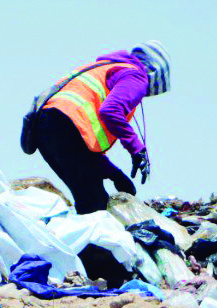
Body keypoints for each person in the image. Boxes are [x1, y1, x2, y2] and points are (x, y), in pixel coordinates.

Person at [32, 42, 171, 214]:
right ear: (154, 73)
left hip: (43, 129)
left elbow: (83, 143)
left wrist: (114, 174)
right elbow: (110, 111)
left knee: (89, 200)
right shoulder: (136, 75)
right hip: (64, 128)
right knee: (95, 205)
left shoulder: (103, 68)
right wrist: (137, 149)